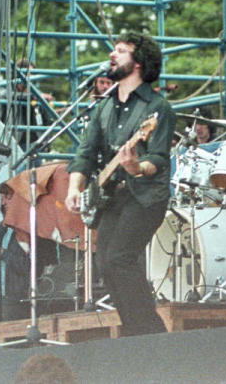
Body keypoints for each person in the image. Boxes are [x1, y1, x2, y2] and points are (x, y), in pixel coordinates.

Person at [64, 31, 175, 336]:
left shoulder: (158, 108)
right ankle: (135, 330)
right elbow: (85, 153)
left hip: (145, 196)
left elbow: (159, 158)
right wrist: (75, 188)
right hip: (112, 196)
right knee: (106, 264)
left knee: (120, 258)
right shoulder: (104, 107)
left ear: (138, 63)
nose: (113, 55)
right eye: (114, 49)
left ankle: (151, 334)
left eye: (122, 51)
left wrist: (136, 166)